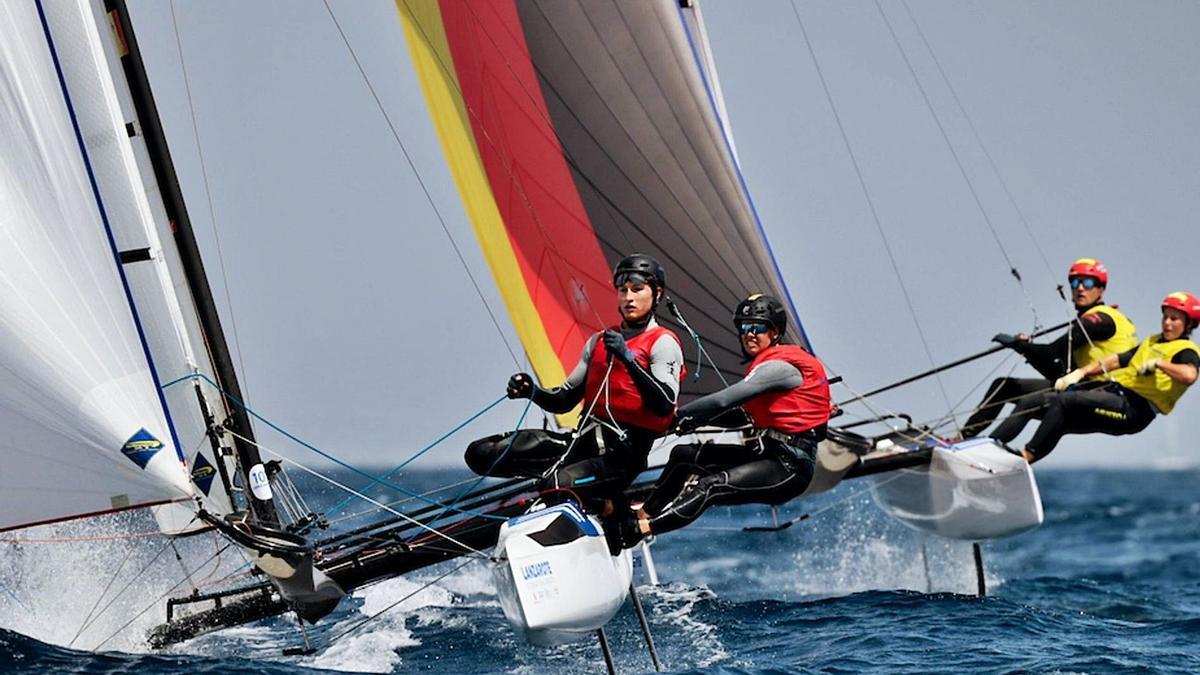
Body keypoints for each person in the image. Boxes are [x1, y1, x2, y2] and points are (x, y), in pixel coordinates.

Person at [464, 254, 685, 527]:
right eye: (623, 290)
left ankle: (610, 507)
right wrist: (531, 391)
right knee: (481, 453)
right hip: (580, 445)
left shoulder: (663, 343)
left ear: (657, 293)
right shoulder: (598, 343)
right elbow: (563, 401)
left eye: (638, 290)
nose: (629, 298)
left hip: (621, 460)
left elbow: (664, 403)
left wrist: (628, 358)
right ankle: (557, 488)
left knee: (558, 484)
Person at [614, 294, 830, 547]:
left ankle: (639, 530)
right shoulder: (766, 368)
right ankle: (642, 513)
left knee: (711, 486)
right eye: (744, 327)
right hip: (767, 454)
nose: (749, 333)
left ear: (775, 332)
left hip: (789, 467)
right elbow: (739, 415)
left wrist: (674, 416)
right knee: (685, 454)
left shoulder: (779, 368)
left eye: (758, 327)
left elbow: (722, 401)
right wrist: (691, 423)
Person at [1011, 291, 1200, 463]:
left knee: (1065, 401)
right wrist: (1080, 373)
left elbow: (1190, 375)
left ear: (1188, 324)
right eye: (1165, 317)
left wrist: (1160, 363)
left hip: (1134, 411)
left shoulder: (1187, 350)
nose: (1167, 322)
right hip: (1116, 396)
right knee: (1052, 412)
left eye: (1174, 319)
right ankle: (1008, 457)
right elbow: (1116, 360)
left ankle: (1026, 456)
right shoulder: (1152, 342)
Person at [960, 258, 1137, 439]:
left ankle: (989, 449)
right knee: (1004, 387)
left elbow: (1051, 353)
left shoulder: (1098, 321)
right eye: (1075, 282)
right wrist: (1026, 348)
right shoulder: (1095, 319)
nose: (1080, 288)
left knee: (1029, 402)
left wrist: (1019, 345)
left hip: (1110, 398)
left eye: (1088, 282)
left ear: (1101, 288)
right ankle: (960, 440)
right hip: (1085, 389)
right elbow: (1056, 370)